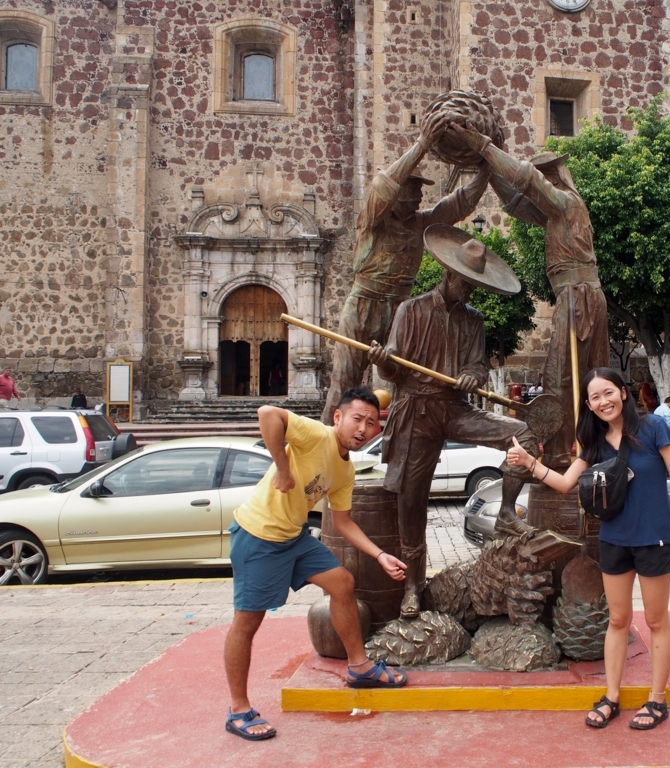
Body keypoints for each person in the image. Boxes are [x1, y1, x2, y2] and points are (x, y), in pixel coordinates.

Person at [506, 367, 670, 731]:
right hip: (614, 540)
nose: (603, 402)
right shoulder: (594, 442)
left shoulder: (653, 428)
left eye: (608, 393)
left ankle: (655, 698)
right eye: (595, 398)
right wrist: (529, 463)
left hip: (654, 538)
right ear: (588, 404)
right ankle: (612, 696)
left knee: (655, 620)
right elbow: (566, 483)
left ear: (622, 392)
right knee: (617, 620)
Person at [368, 227, 540, 616]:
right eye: (467, 284)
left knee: (525, 434)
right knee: (411, 501)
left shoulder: (473, 320)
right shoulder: (410, 311)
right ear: (450, 275)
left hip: (456, 408)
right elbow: (392, 372)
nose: (471, 291)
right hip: (416, 410)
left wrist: (473, 377)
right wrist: (384, 362)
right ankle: (413, 586)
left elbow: (477, 367)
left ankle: (507, 514)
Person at [224, 388, 408, 742]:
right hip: (258, 536)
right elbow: (268, 413)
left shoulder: (346, 470)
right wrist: (282, 467)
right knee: (247, 621)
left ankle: (359, 667)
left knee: (342, 583)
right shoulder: (315, 434)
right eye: (357, 418)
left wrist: (380, 555)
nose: (363, 429)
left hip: (294, 538)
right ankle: (238, 708)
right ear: (338, 417)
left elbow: (343, 523)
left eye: (371, 423)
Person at [455, 122, 610, 471]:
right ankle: (565, 451)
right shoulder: (553, 213)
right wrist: (489, 168)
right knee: (564, 377)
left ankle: (563, 454)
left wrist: (484, 147)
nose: (539, 184)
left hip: (578, 297)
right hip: (571, 295)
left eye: (543, 178)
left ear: (552, 177)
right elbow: (515, 202)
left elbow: (526, 180)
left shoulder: (567, 202)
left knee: (563, 377)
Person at [320, 113, 492, 424]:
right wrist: (422, 144)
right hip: (364, 304)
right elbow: (382, 186)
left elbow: (460, 203)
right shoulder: (372, 220)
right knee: (344, 382)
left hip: (402, 309)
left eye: (420, 192)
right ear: (397, 194)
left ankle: (400, 445)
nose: (417, 197)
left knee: (405, 383)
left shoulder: (422, 223)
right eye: (411, 190)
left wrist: (487, 163)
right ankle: (328, 446)